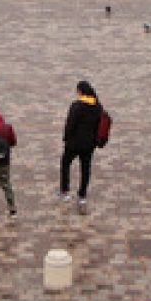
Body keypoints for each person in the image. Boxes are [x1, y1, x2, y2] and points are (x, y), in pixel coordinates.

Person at [59, 80, 102, 211]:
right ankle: (82, 195)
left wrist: (66, 138)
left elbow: (70, 124)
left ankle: (65, 191)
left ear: (80, 91)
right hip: (89, 144)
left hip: (74, 143)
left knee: (65, 163)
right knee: (85, 168)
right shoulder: (97, 106)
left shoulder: (77, 106)